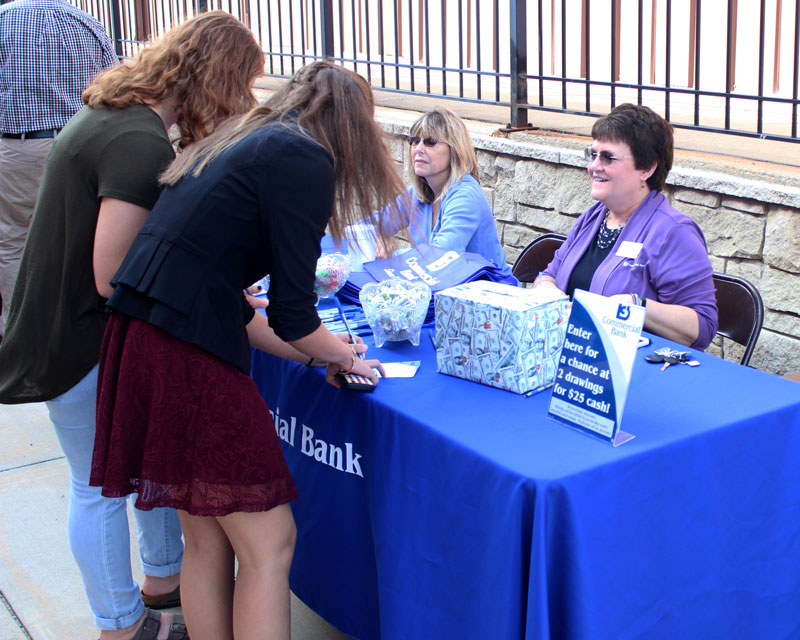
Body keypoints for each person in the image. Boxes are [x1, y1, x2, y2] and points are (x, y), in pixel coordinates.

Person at [88, 60, 406, 639]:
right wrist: (342, 356)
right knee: (271, 543)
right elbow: (291, 314)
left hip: (143, 341)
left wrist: (326, 354)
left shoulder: (246, 142)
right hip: (186, 358)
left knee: (206, 536)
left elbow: (240, 312)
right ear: (354, 123)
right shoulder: (304, 158)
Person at [0, 11, 265, 640]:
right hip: (76, 341)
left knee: (135, 469)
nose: (244, 101)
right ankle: (120, 625)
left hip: (76, 332)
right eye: (243, 84)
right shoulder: (137, 140)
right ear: (215, 78)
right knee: (96, 487)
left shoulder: (117, 112)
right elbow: (113, 271)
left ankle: (162, 581)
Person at [536, 103, 718, 349]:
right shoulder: (593, 218)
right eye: (593, 155)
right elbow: (549, 276)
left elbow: (702, 327)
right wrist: (548, 291)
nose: (594, 166)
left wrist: (637, 306)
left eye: (608, 158)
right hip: (578, 361)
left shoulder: (673, 232)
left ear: (647, 168)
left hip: (637, 372)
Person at [0, 0, 117, 339]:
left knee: (14, 243)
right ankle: (84, 334)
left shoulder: (5, 20)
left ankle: (21, 335)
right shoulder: (85, 21)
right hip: (84, 143)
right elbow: (115, 85)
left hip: (20, 147)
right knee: (83, 242)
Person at [379, 106, 515, 280]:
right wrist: (378, 237)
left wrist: (393, 257)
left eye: (430, 142)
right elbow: (372, 225)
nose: (418, 149)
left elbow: (439, 258)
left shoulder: (465, 196)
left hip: (490, 297)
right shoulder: (418, 193)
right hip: (443, 292)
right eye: (414, 141)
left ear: (454, 150)